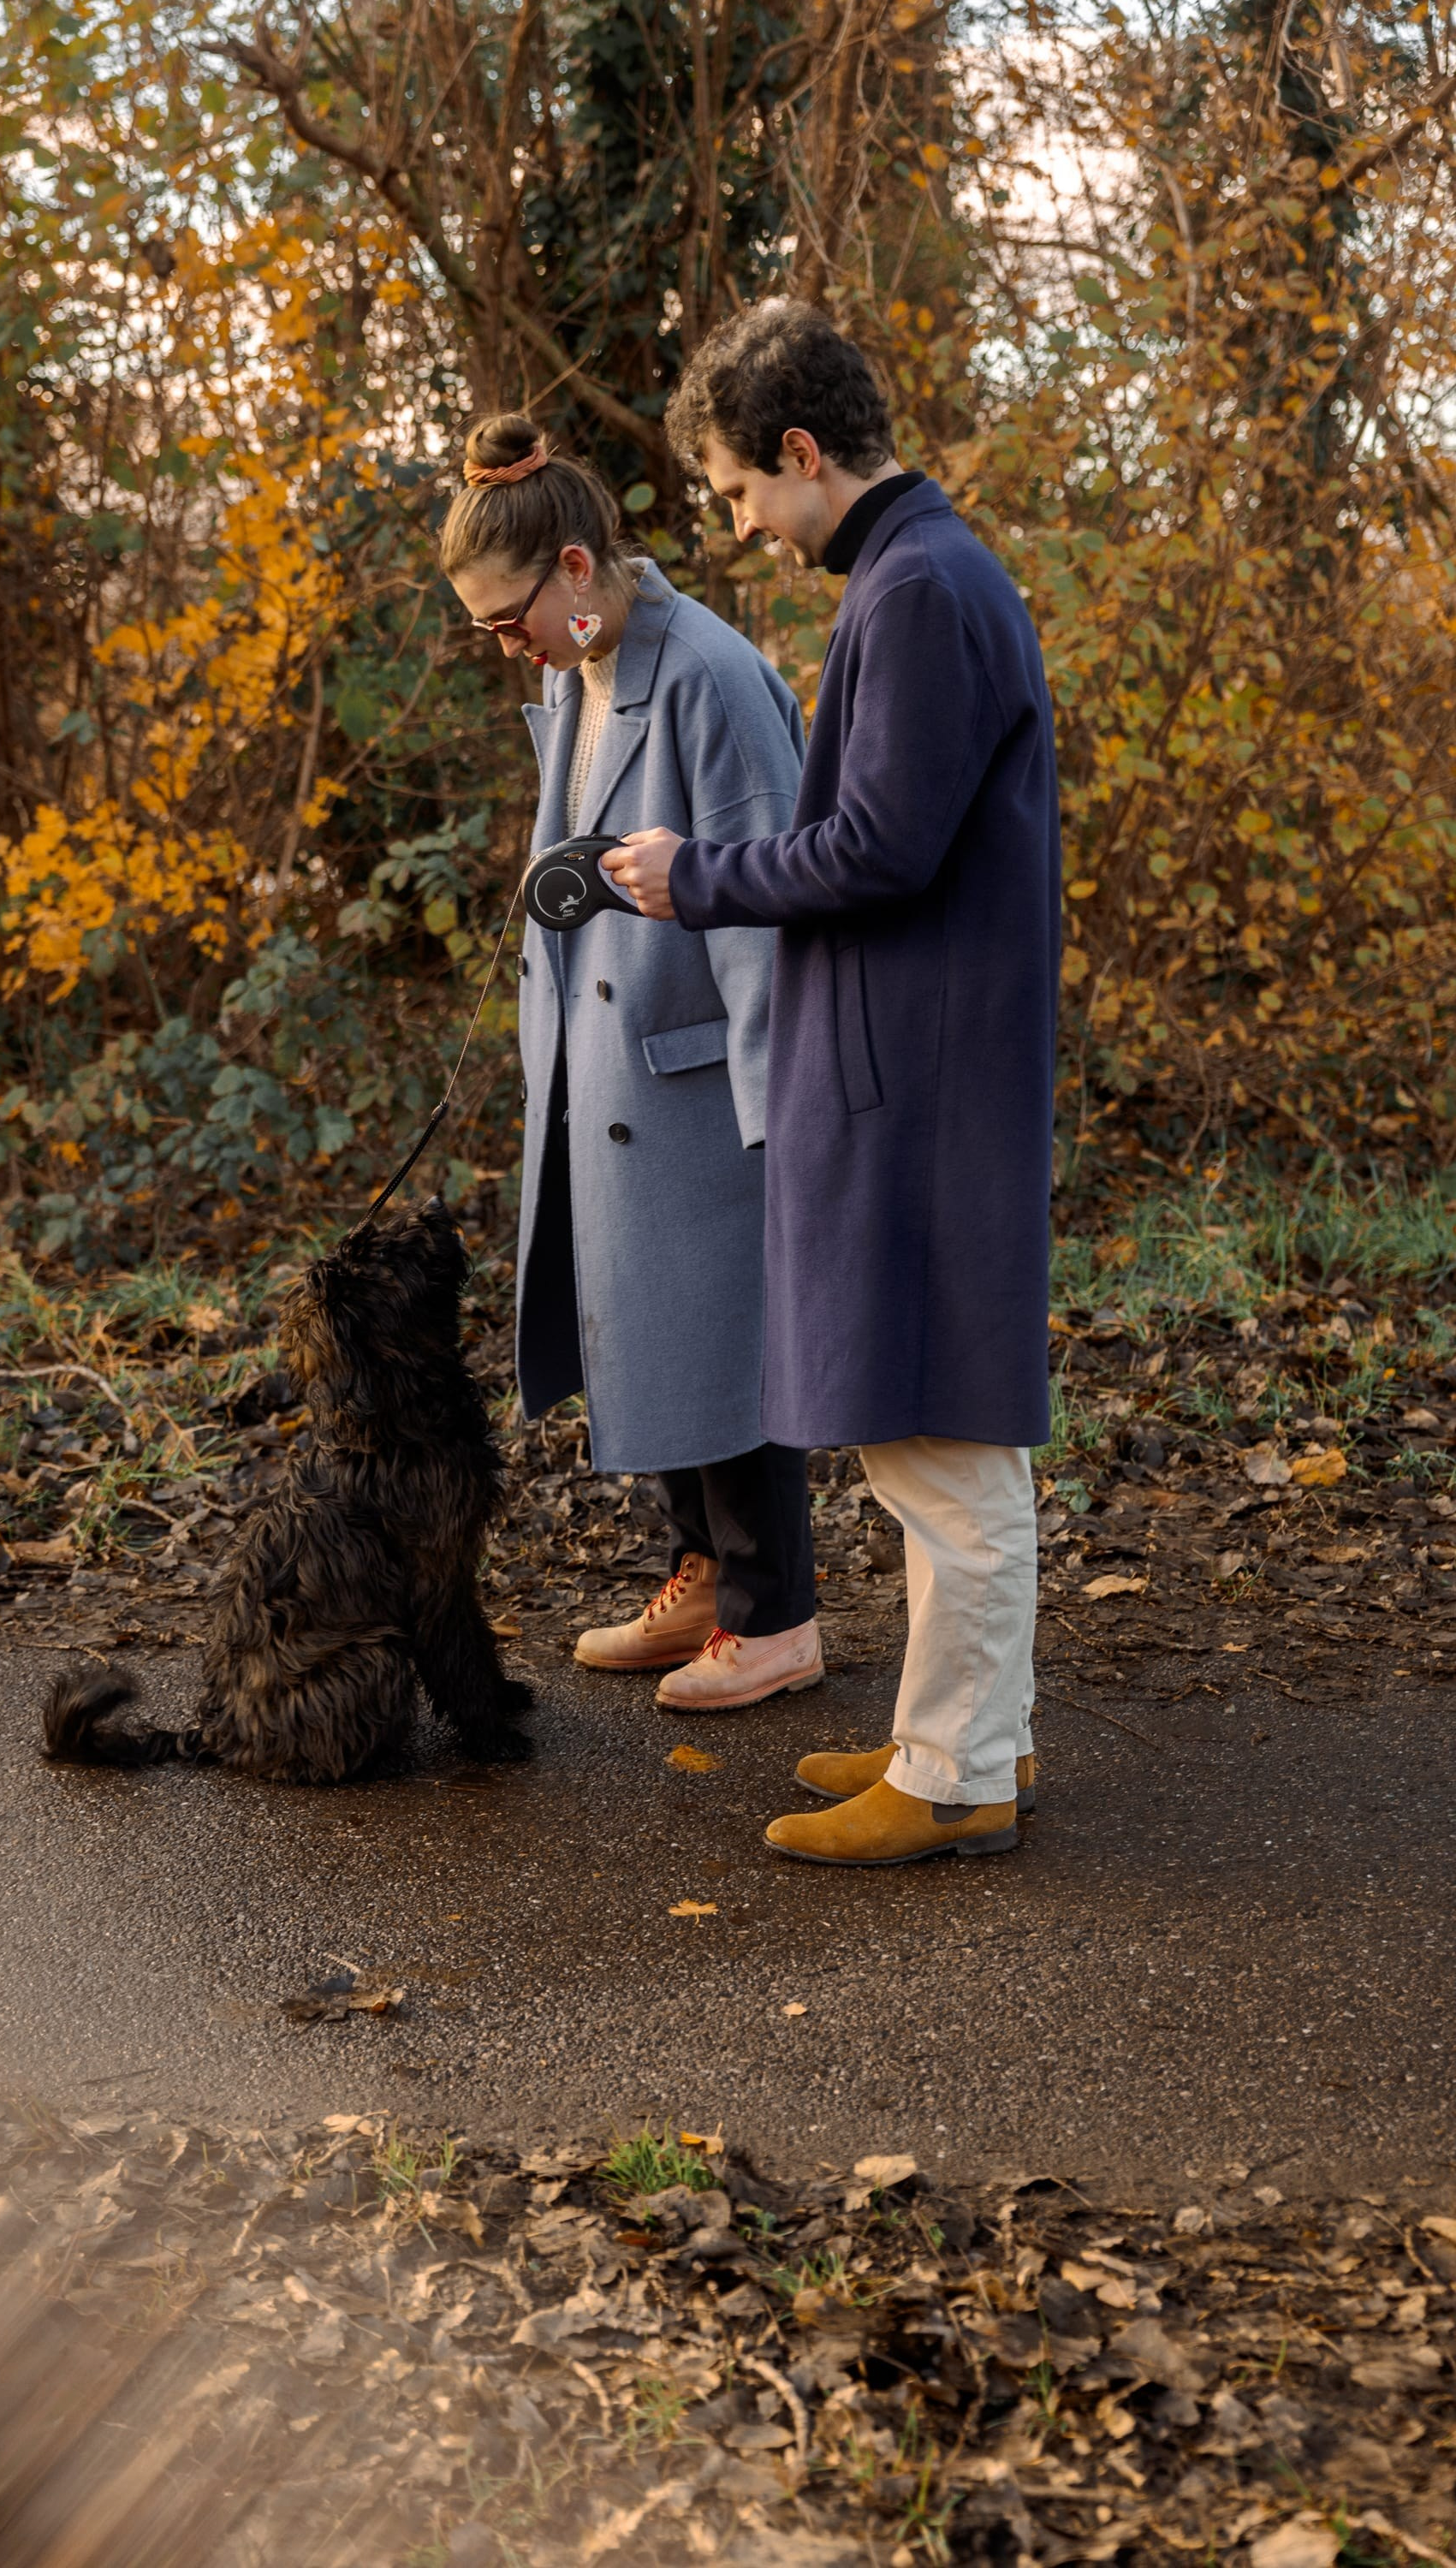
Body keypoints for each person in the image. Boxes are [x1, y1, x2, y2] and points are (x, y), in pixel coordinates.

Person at [602, 300, 1060, 1864]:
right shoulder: (915, 575)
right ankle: (957, 1739)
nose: (736, 524)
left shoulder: (920, 589)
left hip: (922, 1083)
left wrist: (697, 872)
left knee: (946, 1448)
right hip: (912, 1067)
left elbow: (879, 847)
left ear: (802, 454)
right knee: (924, 1438)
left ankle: (955, 1780)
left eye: (735, 490)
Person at [439, 412, 821, 1708]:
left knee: (727, 1333)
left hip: (704, 1073)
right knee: (649, 1325)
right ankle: (706, 1571)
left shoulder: (706, 677)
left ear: (578, 571)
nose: (506, 649)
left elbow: (767, 899)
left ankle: (777, 1618)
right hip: (604, 1063)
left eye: (509, 619)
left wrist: (782, 1121)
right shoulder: (579, 672)